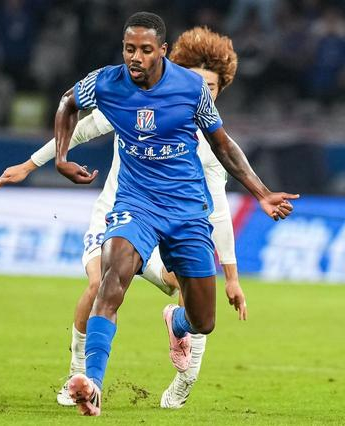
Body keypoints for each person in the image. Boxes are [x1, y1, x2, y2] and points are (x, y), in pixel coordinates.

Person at [54, 12, 297, 416]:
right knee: (111, 281)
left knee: (203, 321)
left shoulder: (190, 88)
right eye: (129, 49)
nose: (135, 57)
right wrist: (61, 157)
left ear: (163, 51)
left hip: (186, 212)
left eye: (145, 50)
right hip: (135, 205)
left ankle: (177, 323)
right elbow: (68, 103)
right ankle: (91, 384)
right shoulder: (106, 82)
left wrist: (262, 193)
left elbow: (222, 144)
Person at [0, 26, 246, 410]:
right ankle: (79, 376)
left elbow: (219, 211)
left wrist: (231, 276)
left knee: (189, 293)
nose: (203, 91)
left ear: (219, 91)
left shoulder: (213, 147)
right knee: (100, 284)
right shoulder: (143, 102)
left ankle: (184, 375)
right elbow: (82, 128)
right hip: (121, 213)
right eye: (198, 82)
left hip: (171, 222)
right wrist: (31, 164)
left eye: (210, 87)